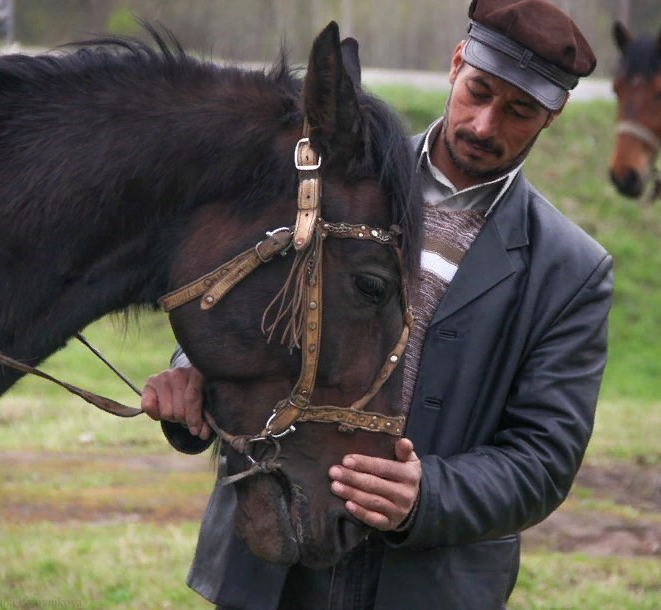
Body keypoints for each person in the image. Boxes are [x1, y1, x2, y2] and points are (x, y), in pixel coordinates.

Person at [141, 1, 613, 608]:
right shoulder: (329, 187)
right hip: (272, 552)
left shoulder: (570, 271)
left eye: (519, 111)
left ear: (555, 113)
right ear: (455, 64)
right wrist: (190, 374)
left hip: (424, 581)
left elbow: (544, 458)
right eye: (479, 91)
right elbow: (250, 297)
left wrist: (427, 496)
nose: (484, 125)